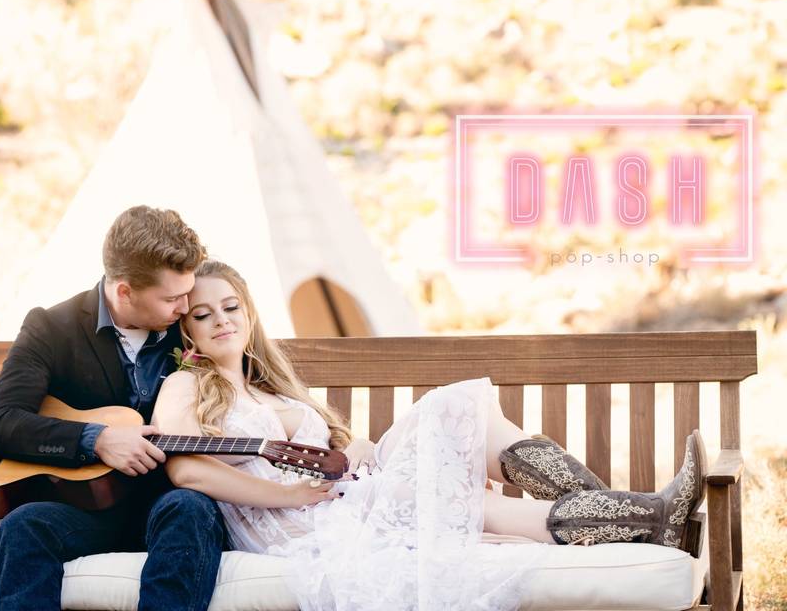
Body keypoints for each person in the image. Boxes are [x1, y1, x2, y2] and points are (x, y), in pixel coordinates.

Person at [151, 260, 708, 611]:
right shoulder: (185, 385)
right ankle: (646, 518)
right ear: (186, 328)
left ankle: (649, 518)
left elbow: (342, 455)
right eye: (203, 314)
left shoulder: (271, 387)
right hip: (304, 527)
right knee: (454, 423)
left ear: (249, 314)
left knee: (469, 434)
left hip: (352, 495)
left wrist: (357, 451)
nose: (222, 320)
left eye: (231, 307)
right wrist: (289, 494)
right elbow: (187, 469)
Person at [0, 206, 226, 611]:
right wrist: (97, 440)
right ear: (125, 291)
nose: (185, 306)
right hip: (81, 509)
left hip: (166, 505)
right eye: (171, 298)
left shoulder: (194, 324)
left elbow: (264, 381)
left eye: (187, 292)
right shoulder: (50, 328)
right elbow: (1, 423)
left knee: (192, 509)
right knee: (22, 527)